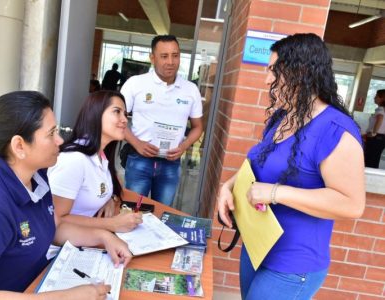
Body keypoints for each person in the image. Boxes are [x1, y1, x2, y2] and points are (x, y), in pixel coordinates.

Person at [0, 91, 132, 300]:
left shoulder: (36, 175)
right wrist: (65, 298)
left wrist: (103, 237)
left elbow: (52, 226)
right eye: (51, 133)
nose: (60, 140)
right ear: (19, 146)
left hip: (32, 286)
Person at [218, 33, 365, 300]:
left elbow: (352, 204)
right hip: (258, 245)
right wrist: (226, 186)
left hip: (293, 263)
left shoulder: (336, 130)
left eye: (274, 71)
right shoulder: (282, 118)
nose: (267, 80)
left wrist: (275, 193)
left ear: (302, 71)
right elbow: (258, 164)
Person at [120, 35, 203, 206]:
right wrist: (137, 143)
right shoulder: (135, 84)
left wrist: (183, 147)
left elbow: (197, 127)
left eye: (175, 55)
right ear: (152, 58)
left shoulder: (190, 90)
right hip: (139, 159)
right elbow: (117, 120)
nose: (171, 62)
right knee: (132, 211)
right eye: (164, 56)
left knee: (161, 215)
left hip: (170, 164)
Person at [48, 90, 142, 232]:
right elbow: (56, 218)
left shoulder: (101, 155)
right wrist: (113, 224)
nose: (124, 120)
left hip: (88, 239)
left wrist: (109, 199)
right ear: (95, 115)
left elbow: (109, 186)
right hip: (61, 249)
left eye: (125, 114)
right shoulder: (74, 160)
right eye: (117, 112)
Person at [364, 89, 385, 168]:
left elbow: (380, 118)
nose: (374, 98)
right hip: (381, 138)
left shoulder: (381, 109)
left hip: (376, 138)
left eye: (376, 96)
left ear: (382, 98)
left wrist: (373, 133)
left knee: (369, 160)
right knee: (374, 160)